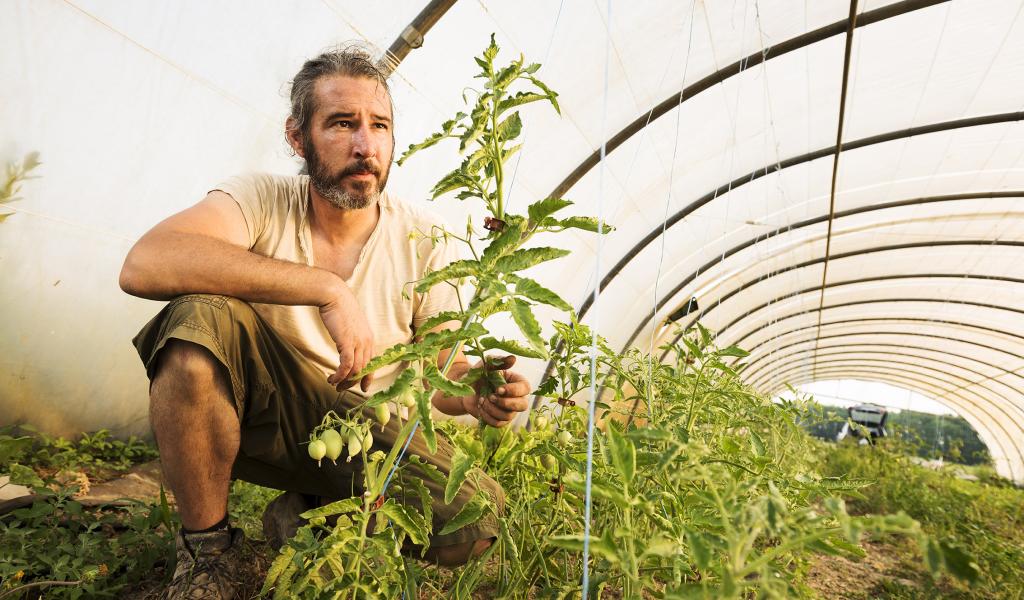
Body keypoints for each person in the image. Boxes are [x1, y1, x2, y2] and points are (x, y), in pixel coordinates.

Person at [119, 46, 531, 599]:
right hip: (271, 410)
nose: (365, 146)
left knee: (476, 523)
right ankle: (207, 553)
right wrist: (324, 288)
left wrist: (474, 390)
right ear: (298, 136)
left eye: (379, 126)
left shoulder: (425, 237)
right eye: (342, 124)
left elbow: (438, 365)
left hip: (366, 431)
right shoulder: (262, 199)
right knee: (198, 320)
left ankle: (311, 512)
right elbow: (146, 261)